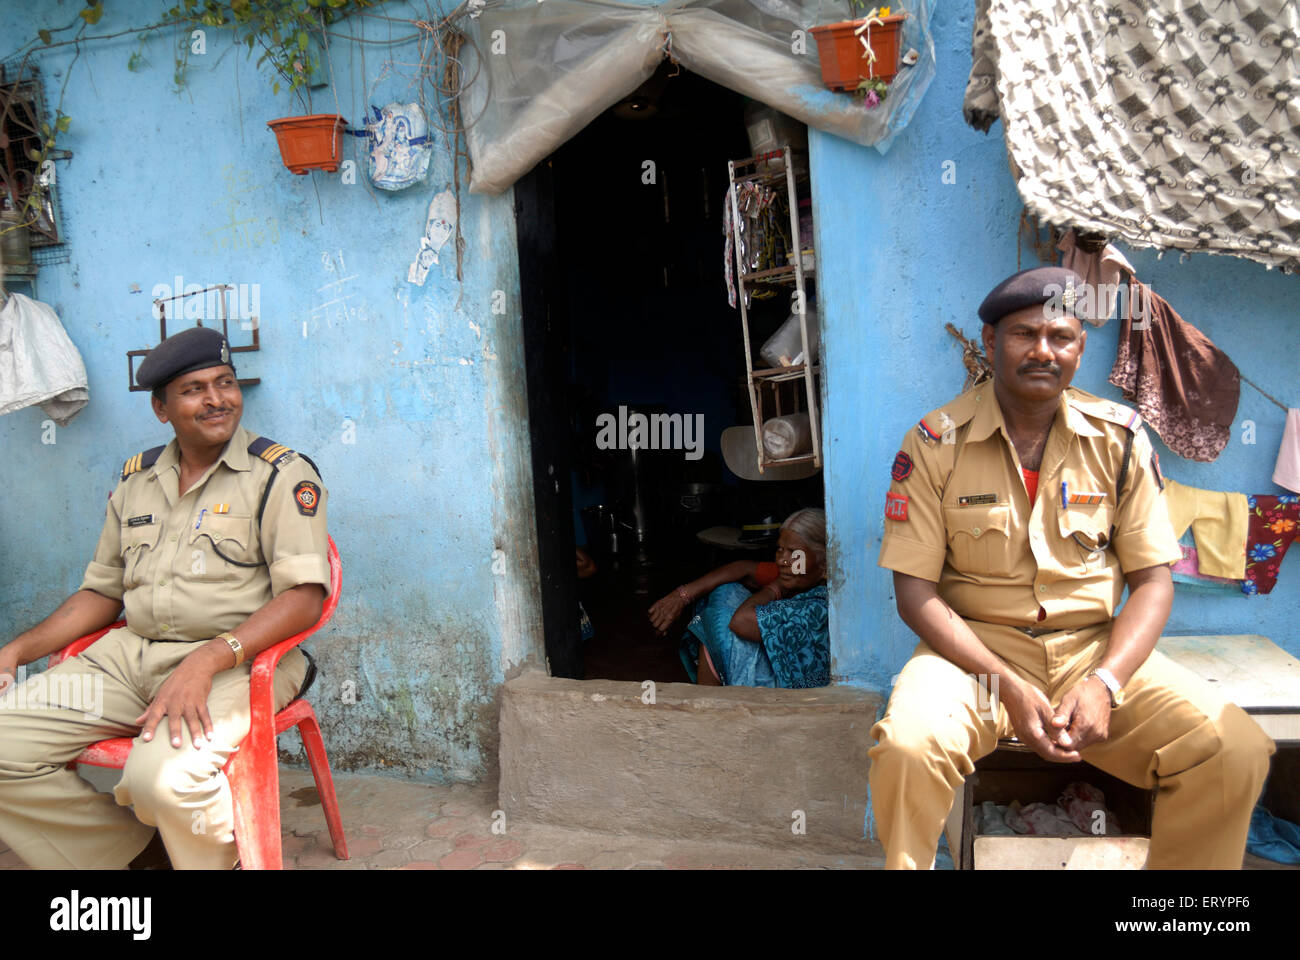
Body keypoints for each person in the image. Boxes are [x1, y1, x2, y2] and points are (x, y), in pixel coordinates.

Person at [869, 266, 1275, 869]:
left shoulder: (1121, 440)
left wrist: (1106, 682)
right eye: (1023, 334)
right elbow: (915, 594)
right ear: (990, 342)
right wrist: (1003, 684)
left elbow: (1153, 583)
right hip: (975, 660)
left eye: (1060, 336)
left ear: (1081, 347)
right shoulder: (933, 444)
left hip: (1093, 653)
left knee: (1234, 747)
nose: (1042, 351)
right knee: (906, 745)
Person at [0, 325, 330, 869]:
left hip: (236, 663)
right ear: (161, 409)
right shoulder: (138, 479)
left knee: (161, 780)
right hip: (129, 659)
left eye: (225, 383)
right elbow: (102, 593)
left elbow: (304, 598)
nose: (217, 399)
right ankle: (135, 853)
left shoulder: (280, 474)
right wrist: (17, 651)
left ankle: (209, 858)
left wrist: (209, 657)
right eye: (194, 389)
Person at [648, 508, 829, 688]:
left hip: (791, 694)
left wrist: (777, 586)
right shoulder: (800, 570)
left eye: (793, 552)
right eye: (780, 549)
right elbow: (743, 568)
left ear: (825, 564)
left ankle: (708, 701)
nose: (782, 560)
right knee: (726, 592)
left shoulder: (821, 604)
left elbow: (741, 622)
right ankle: (707, 699)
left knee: (718, 620)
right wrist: (682, 596)